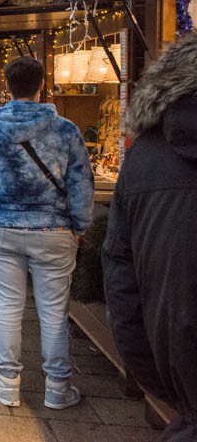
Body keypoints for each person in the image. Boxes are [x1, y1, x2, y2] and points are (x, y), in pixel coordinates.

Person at [0, 56, 93, 409]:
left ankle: (7, 381)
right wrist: (79, 226)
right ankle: (57, 386)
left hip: (1, 226)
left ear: (7, 86)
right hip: (54, 229)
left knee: (6, 306)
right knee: (54, 310)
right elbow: (82, 184)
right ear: (42, 85)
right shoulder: (66, 131)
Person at [102, 40, 196, 442]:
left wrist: (162, 381)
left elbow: (122, 274)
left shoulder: (145, 154)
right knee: (52, 313)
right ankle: (54, 382)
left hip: (182, 381)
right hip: (46, 233)